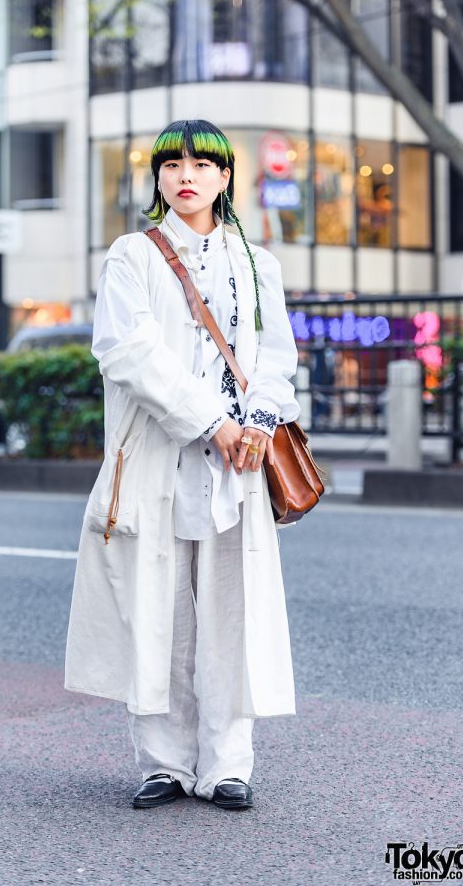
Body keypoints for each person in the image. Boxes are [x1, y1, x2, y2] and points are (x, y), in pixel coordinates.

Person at [64, 119, 301, 811]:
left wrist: (255, 423)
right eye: (171, 164)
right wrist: (214, 421)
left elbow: (277, 355)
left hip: (238, 467)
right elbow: (127, 351)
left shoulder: (258, 264)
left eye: (201, 163)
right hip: (160, 458)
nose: (185, 174)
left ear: (227, 177)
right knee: (157, 610)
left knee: (233, 611)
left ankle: (227, 764)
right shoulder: (132, 256)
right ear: (158, 177)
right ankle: (162, 762)